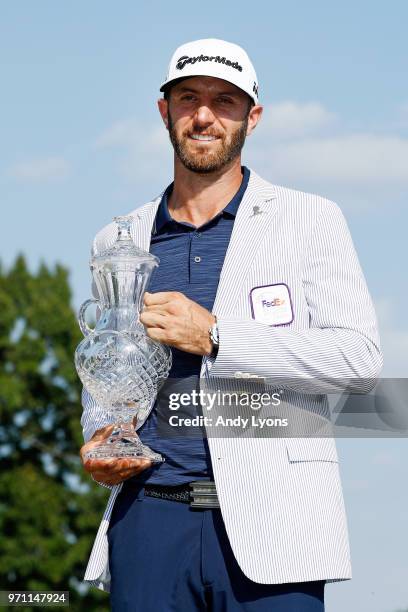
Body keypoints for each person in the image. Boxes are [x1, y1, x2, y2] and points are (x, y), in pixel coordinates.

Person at [79, 38, 383, 611]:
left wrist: (219, 336)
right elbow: (103, 373)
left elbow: (359, 361)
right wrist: (100, 435)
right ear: (163, 111)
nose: (203, 115)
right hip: (148, 522)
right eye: (188, 97)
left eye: (224, 101)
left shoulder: (312, 221)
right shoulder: (117, 240)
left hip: (278, 528)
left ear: (253, 117)